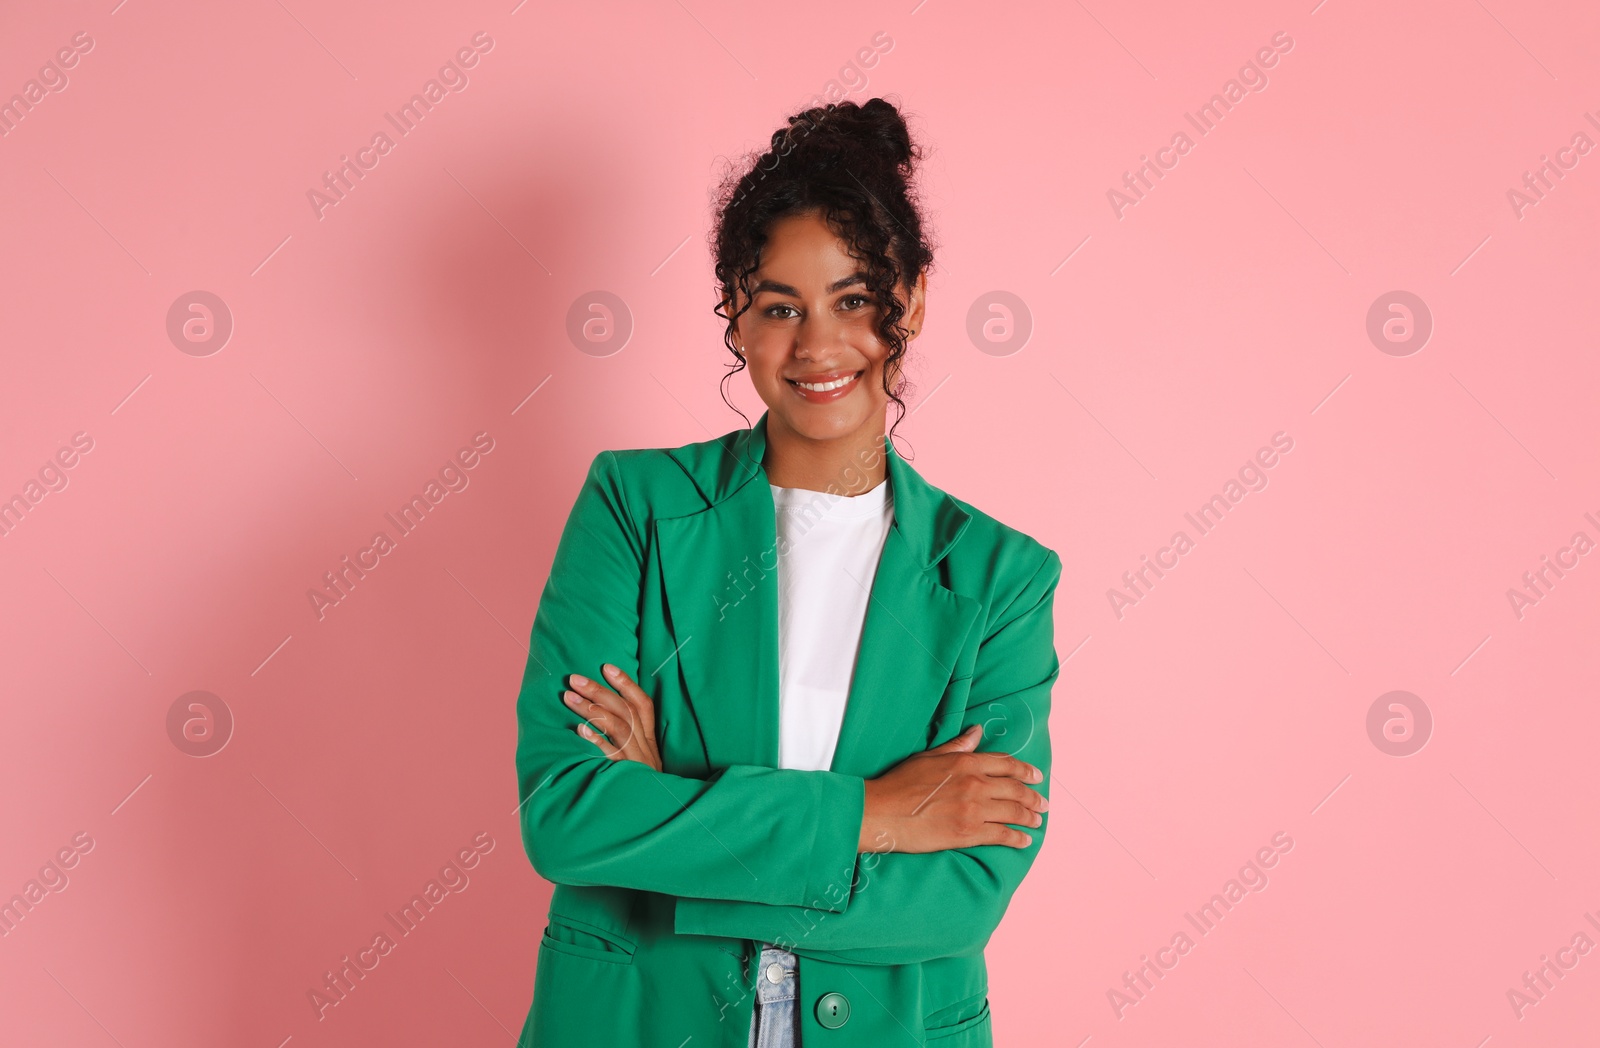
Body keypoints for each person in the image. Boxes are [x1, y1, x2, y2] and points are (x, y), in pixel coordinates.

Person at [514, 96, 1062, 1048]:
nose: (817, 347)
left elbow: (964, 895)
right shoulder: (633, 510)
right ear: (733, 307)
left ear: (914, 299)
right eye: (779, 307)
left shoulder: (1001, 578)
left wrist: (673, 822)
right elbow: (566, 817)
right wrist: (877, 814)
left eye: (854, 300)